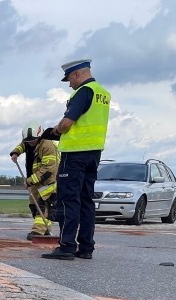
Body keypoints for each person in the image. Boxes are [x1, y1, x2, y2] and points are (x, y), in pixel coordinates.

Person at [40, 58, 111, 260]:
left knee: (67, 200)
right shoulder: (103, 93)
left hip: (75, 154)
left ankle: (67, 246)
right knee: (86, 201)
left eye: (69, 79)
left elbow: (67, 123)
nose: (69, 84)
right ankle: (86, 247)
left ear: (77, 74)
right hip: (94, 153)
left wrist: (55, 130)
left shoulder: (83, 92)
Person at [10, 122, 60, 240]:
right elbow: (23, 145)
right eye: (28, 140)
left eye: (33, 140)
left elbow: (48, 169)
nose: (30, 142)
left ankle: (38, 231)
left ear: (40, 136)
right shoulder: (28, 142)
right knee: (34, 205)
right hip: (34, 180)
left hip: (47, 181)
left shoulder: (47, 145)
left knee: (43, 206)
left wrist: (30, 180)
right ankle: (46, 230)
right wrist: (15, 152)